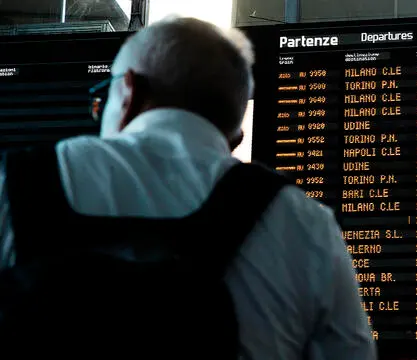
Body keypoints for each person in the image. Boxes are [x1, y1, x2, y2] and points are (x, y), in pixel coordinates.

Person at [0, 17, 375, 358]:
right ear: (234, 137)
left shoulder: (13, 183)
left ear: (128, 92)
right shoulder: (303, 221)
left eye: (102, 100)